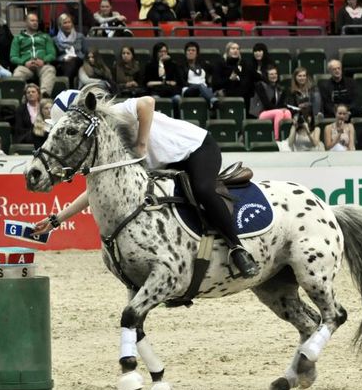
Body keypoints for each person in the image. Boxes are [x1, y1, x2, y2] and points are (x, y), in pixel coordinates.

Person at [34, 89, 260, 278]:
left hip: (195, 149)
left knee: (202, 189)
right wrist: (56, 220)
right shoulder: (104, 145)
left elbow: (147, 102)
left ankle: (237, 248)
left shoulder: (117, 113)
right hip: (166, 165)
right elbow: (91, 193)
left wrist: (141, 146)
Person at [10, 13, 57, 97]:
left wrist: (43, 61)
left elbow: (52, 54)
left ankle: (43, 96)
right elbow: (13, 57)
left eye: (36, 21)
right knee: (17, 74)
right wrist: (25, 62)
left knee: (50, 70)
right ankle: (26, 98)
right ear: (26, 22)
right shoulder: (18, 38)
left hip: (42, 65)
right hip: (25, 66)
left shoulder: (45, 36)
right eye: (32, 20)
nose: (35, 23)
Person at [250, 65, 291, 140]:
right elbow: (266, 105)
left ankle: (287, 138)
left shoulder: (279, 88)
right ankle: (276, 139)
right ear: (267, 76)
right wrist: (280, 109)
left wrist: (283, 109)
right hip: (261, 113)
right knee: (279, 112)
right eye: (271, 74)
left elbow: (281, 104)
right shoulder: (260, 85)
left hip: (275, 112)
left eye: (275, 74)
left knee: (287, 112)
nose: (274, 76)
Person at [144, 42, 181, 116]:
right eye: (160, 51)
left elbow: (176, 82)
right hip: (156, 91)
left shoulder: (173, 65)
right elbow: (148, 83)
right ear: (156, 53)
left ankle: (177, 119)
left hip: (171, 91)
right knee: (155, 99)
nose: (163, 54)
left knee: (177, 99)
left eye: (165, 51)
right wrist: (161, 63)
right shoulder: (150, 65)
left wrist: (163, 82)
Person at [54, 13, 87, 88]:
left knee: (73, 61)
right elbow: (55, 56)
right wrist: (63, 59)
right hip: (63, 63)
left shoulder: (80, 36)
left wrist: (75, 57)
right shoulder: (55, 39)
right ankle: (70, 87)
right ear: (60, 25)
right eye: (65, 23)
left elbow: (85, 53)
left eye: (69, 22)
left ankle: (68, 87)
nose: (68, 25)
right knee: (68, 64)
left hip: (78, 61)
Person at [182, 41, 217, 109]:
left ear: (197, 53)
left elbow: (216, 70)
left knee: (209, 89)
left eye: (193, 50)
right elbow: (182, 81)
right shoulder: (181, 66)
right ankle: (213, 101)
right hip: (188, 89)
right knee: (200, 86)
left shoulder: (204, 64)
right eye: (188, 50)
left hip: (204, 88)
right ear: (185, 52)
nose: (191, 52)